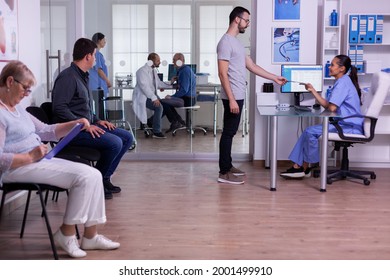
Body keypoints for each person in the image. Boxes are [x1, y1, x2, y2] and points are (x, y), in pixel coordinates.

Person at [0, 60, 120, 258]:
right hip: (16, 168)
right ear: (10, 81)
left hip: (38, 160)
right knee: (84, 177)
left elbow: (46, 130)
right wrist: (30, 156)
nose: (26, 94)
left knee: (95, 174)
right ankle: (66, 233)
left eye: (29, 90)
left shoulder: (18, 109)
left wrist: (76, 124)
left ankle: (91, 236)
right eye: (25, 88)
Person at [51, 38, 134, 200]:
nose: (96, 59)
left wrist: (96, 120)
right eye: (95, 55)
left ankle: (104, 178)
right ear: (88, 56)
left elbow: (84, 108)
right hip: (72, 132)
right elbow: (59, 108)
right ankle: (96, 183)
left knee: (126, 137)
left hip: (86, 126)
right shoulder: (68, 77)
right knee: (114, 142)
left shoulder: (83, 76)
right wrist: (83, 125)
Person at [217, 6, 287, 185]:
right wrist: (232, 98)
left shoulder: (236, 43)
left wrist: (275, 78)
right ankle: (224, 172)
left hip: (239, 94)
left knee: (230, 132)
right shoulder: (225, 42)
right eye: (246, 20)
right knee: (229, 133)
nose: (247, 24)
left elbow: (252, 66)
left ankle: (228, 165)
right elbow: (222, 73)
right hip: (232, 96)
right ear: (237, 20)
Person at [280, 54, 363, 178]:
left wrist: (314, 93)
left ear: (342, 69)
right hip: (345, 123)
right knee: (308, 131)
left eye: (333, 65)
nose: (329, 67)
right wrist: (313, 90)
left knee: (309, 132)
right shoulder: (343, 81)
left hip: (348, 126)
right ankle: (300, 166)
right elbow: (330, 106)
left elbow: (331, 108)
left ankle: (308, 164)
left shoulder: (342, 83)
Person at [132, 53, 171, 139]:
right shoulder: (141, 71)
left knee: (166, 105)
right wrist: (154, 98)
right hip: (143, 97)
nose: (159, 62)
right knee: (159, 107)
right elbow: (144, 87)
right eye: (158, 60)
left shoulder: (153, 71)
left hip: (151, 95)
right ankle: (156, 132)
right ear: (151, 61)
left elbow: (159, 83)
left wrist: (171, 84)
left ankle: (151, 122)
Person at [161, 53, 196, 133]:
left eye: (174, 60)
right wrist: (172, 82)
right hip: (187, 98)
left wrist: (172, 96)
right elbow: (182, 86)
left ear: (180, 61)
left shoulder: (184, 71)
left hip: (187, 100)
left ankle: (175, 122)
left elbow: (184, 90)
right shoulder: (183, 70)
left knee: (163, 101)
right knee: (165, 102)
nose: (173, 62)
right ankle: (178, 121)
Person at [89, 32, 112, 98]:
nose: (105, 42)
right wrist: (107, 81)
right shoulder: (96, 54)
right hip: (97, 85)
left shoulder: (96, 53)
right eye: (104, 40)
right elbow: (99, 70)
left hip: (97, 85)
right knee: (99, 106)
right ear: (99, 40)